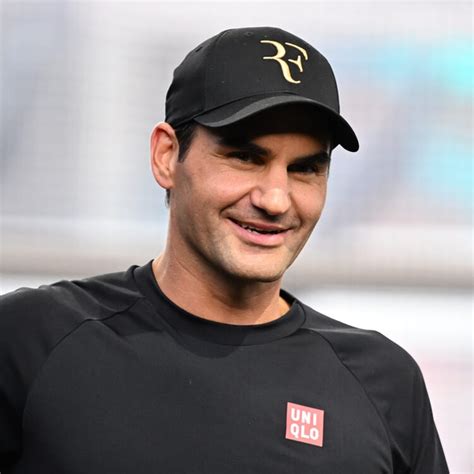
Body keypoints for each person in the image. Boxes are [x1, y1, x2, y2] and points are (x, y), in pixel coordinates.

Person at [0, 26, 449, 473]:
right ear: (165, 155)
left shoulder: (384, 382)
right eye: (245, 157)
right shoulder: (31, 341)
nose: (275, 199)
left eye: (305, 168)